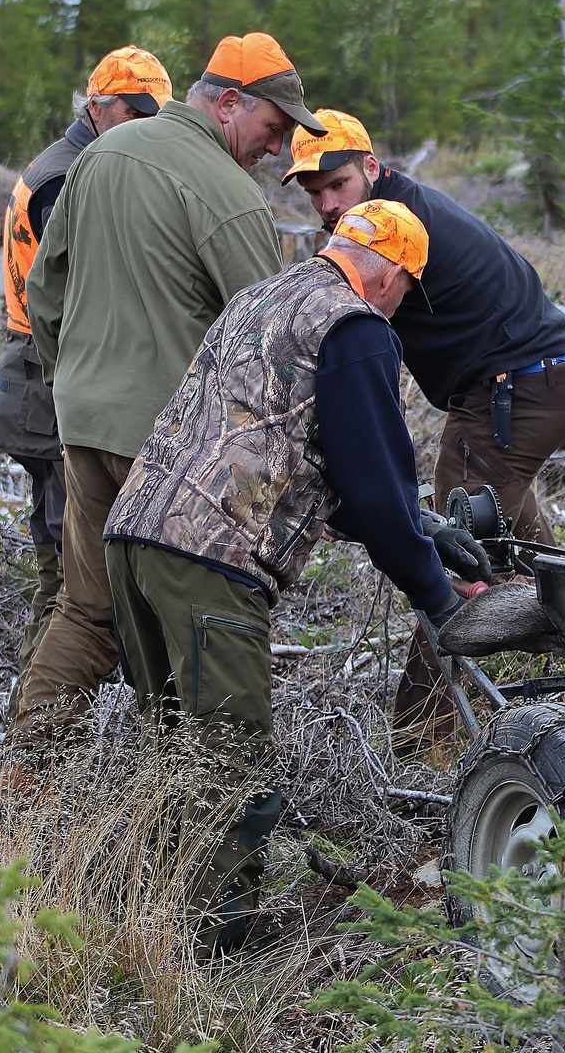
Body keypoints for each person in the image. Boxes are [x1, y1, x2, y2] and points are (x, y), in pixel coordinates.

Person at [103, 199, 486, 954]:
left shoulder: (264, 297)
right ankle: (217, 956)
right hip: (211, 561)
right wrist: (436, 595)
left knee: (172, 752)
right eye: (406, 289)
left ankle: (150, 926)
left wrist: (425, 529)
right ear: (387, 275)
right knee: (229, 767)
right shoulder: (356, 328)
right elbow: (374, 487)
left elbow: (279, 456)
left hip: (137, 535)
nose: (402, 305)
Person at [15, 32, 326, 744]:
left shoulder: (98, 157)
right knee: (200, 613)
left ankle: (26, 775)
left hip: (85, 429)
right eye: (273, 130)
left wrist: (74, 385)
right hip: (167, 447)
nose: (275, 151)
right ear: (228, 104)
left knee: (85, 607)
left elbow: (43, 291)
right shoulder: (229, 197)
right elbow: (270, 343)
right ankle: (193, 790)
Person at [283, 110, 565, 746]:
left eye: (337, 185)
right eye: (313, 193)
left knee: (458, 554)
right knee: (522, 550)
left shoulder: (394, 232)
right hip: (543, 382)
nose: (326, 204)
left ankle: (422, 737)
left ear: (371, 169)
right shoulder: (384, 216)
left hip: (517, 390)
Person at [0, 46, 172, 718]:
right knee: (64, 580)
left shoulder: (76, 164)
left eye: (151, 115)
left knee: (67, 571)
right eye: (132, 114)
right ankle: (32, 731)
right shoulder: (64, 179)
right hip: (46, 383)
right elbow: (66, 297)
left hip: (49, 378)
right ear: (97, 109)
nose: (140, 127)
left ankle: (35, 724)